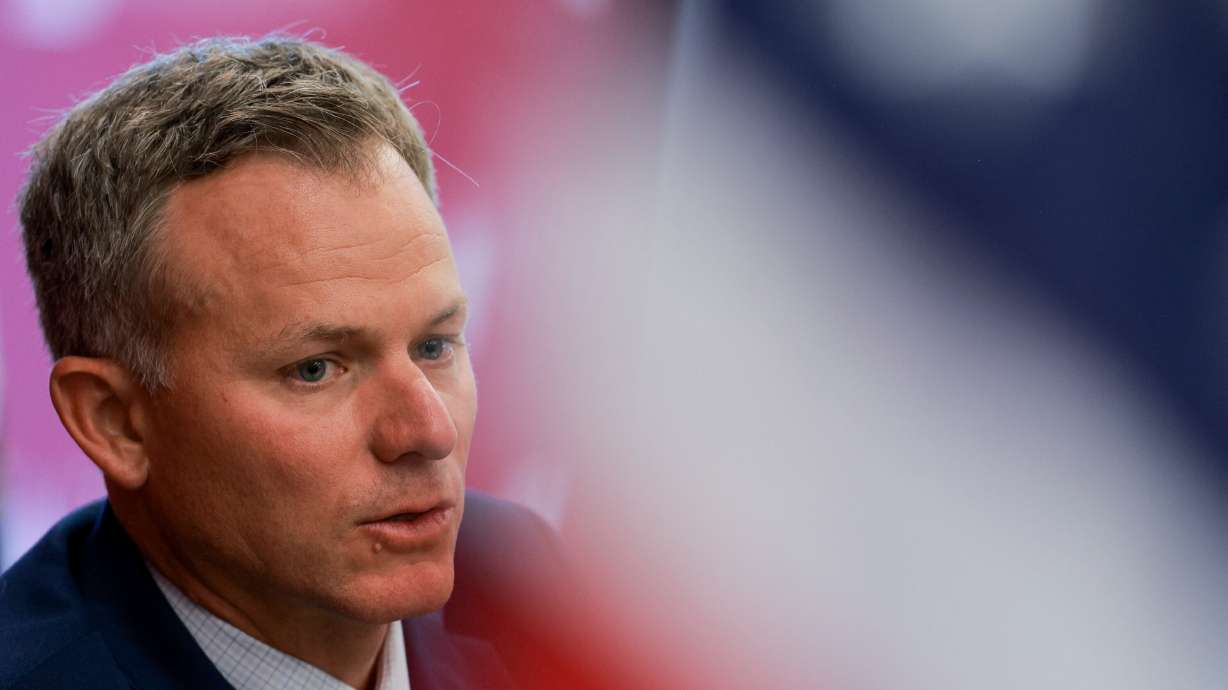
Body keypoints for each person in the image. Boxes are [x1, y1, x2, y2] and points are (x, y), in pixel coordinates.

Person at [0, 36, 579, 690]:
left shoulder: (516, 586)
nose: (428, 431)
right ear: (116, 422)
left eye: (435, 345)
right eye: (316, 369)